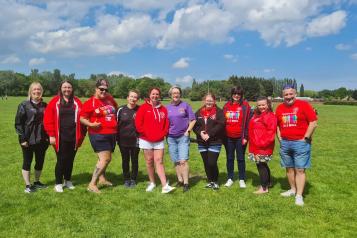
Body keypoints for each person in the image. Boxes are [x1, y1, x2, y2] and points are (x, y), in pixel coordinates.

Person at [276, 85, 318, 206]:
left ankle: (299, 195)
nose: (288, 96)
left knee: (300, 169)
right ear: (282, 96)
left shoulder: (304, 105)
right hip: (285, 143)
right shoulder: (279, 108)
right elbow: (277, 125)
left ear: (295, 94)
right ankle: (293, 190)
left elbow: (313, 122)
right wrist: (280, 138)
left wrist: (305, 138)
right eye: (286, 94)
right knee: (289, 168)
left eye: (291, 94)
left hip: (301, 143)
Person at [44, 80, 85, 193]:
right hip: (59, 137)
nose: (67, 89)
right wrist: (51, 135)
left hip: (73, 137)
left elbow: (83, 117)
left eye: (69, 87)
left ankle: (68, 180)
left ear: (72, 89)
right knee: (61, 160)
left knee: (70, 160)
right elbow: (47, 119)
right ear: (61, 88)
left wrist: (81, 135)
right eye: (65, 87)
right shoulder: (54, 101)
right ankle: (58, 183)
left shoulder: (77, 101)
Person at [80, 79, 118, 193]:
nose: (104, 91)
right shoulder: (89, 103)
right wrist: (91, 124)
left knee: (105, 159)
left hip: (111, 133)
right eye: (101, 89)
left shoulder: (109, 99)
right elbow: (82, 118)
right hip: (98, 134)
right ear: (96, 89)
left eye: (106, 89)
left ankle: (102, 179)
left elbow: (115, 110)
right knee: (105, 159)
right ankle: (92, 184)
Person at [135, 87, 175, 193]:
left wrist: (163, 133)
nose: (155, 96)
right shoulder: (143, 108)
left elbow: (166, 124)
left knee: (159, 161)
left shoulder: (163, 109)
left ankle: (164, 185)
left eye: (157, 94)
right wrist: (147, 134)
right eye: (153, 94)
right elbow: (138, 124)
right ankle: (152, 182)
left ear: (159, 96)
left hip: (159, 140)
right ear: (149, 95)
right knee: (149, 162)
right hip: (146, 140)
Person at [15, 82, 49, 193]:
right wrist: (23, 139)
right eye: (34, 89)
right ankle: (28, 185)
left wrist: (48, 137)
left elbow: (49, 122)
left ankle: (37, 182)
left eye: (39, 89)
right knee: (27, 161)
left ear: (41, 91)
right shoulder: (24, 105)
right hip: (28, 139)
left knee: (40, 161)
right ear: (30, 91)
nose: (37, 91)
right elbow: (18, 123)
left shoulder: (45, 105)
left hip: (42, 139)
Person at [167, 86, 196, 192]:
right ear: (170, 95)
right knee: (176, 161)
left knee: (183, 160)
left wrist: (188, 131)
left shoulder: (185, 105)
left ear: (180, 94)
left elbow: (193, 120)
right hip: (171, 138)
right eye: (174, 93)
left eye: (177, 93)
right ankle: (180, 179)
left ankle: (186, 183)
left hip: (183, 137)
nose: (176, 95)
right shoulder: (167, 107)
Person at [193, 93, 225, 190]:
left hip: (215, 141)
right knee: (206, 163)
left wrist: (209, 134)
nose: (209, 102)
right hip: (202, 141)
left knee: (211, 162)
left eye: (211, 100)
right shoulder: (199, 112)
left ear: (214, 101)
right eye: (207, 100)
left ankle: (215, 181)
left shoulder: (219, 112)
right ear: (204, 101)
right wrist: (200, 133)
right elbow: (195, 125)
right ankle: (210, 181)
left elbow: (221, 124)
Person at [223, 86, 251, 188]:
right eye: (234, 93)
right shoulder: (226, 106)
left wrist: (246, 137)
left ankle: (241, 179)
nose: (236, 95)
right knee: (229, 158)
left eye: (238, 94)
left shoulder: (245, 106)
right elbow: (223, 121)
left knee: (240, 158)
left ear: (241, 95)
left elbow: (248, 123)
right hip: (228, 138)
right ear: (232, 94)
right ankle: (230, 178)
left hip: (241, 137)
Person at [248, 96, 277, 194]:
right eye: (259, 105)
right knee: (263, 165)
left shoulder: (270, 116)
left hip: (262, 146)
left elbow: (270, 133)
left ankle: (264, 188)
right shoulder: (257, 115)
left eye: (263, 105)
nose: (261, 107)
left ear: (268, 104)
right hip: (256, 145)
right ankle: (268, 183)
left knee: (261, 166)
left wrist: (260, 145)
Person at [117, 90, 140, 188]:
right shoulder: (120, 109)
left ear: (137, 99)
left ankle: (133, 179)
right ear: (127, 98)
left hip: (136, 140)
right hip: (123, 140)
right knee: (125, 160)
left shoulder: (140, 109)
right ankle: (126, 179)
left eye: (135, 97)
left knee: (134, 160)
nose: (133, 99)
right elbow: (116, 124)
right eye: (131, 96)